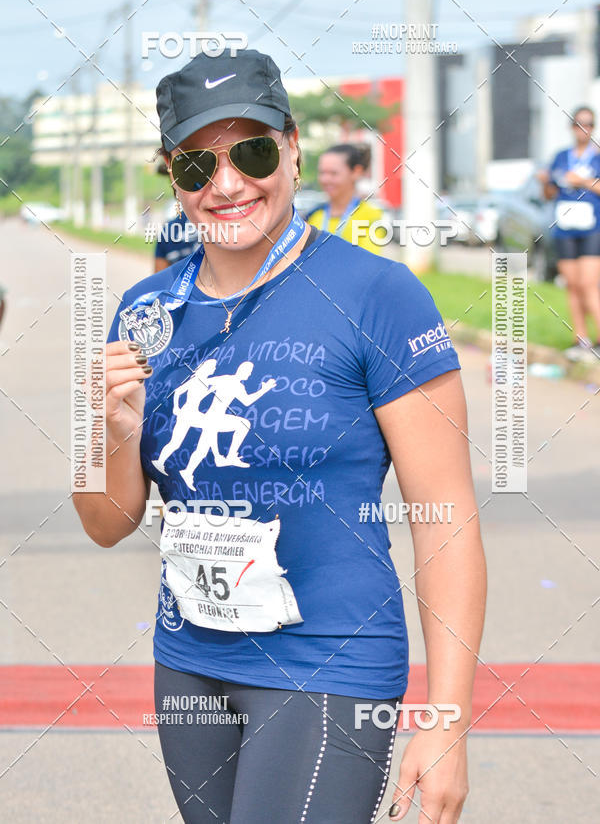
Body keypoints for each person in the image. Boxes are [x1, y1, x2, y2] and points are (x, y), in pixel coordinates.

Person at [73, 48, 486, 824]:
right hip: (190, 666)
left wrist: (447, 721)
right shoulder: (143, 309)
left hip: (329, 664)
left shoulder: (379, 295)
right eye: (198, 164)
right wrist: (113, 431)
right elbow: (103, 524)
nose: (227, 184)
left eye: (253, 152)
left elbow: (447, 518)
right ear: (173, 176)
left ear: (293, 148)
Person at [538, 105, 600, 360]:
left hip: (592, 227)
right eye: (578, 123)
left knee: (588, 283)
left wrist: (583, 181)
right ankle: (581, 340)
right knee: (573, 286)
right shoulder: (560, 157)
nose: (583, 128)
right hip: (564, 228)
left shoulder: (597, 156)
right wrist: (544, 182)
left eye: (589, 123)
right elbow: (549, 194)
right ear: (571, 127)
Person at [306, 143, 387, 254]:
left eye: (333, 173)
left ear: (356, 172)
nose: (325, 179)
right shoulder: (313, 216)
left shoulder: (370, 215)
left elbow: (368, 264)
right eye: (322, 172)